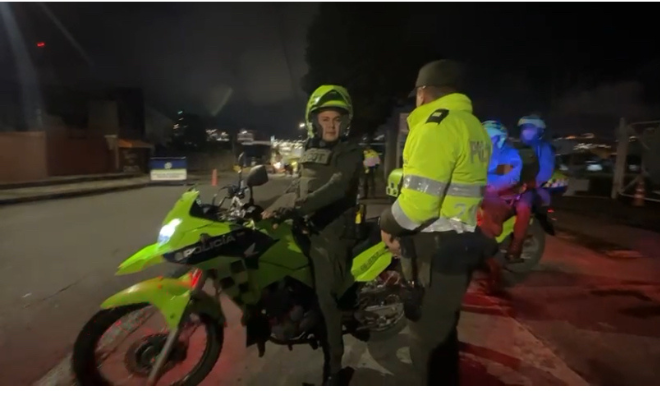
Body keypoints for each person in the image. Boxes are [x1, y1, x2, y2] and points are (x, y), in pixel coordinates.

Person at [378, 60, 492, 385]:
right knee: (444, 332)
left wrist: (387, 223)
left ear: (423, 93)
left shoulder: (435, 127)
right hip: (462, 242)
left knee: (426, 342)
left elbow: (418, 206)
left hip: (434, 250)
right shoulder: (474, 127)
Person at [262, 85, 363, 385]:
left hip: (333, 235)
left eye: (337, 119)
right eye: (325, 119)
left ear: (346, 122)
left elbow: (335, 188)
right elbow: (297, 187)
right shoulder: (309, 150)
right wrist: (272, 208)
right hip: (305, 227)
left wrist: (291, 209)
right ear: (314, 122)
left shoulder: (351, 152)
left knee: (325, 299)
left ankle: (334, 372)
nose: (331, 125)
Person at [479, 120, 522, 292]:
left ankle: (497, 274)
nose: (488, 139)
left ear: (500, 138)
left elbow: (510, 178)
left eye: (491, 136)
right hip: (478, 193)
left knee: (486, 228)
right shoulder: (479, 152)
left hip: (500, 197)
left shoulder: (509, 154)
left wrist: (488, 185)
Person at [507, 114, 555, 261]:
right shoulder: (513, 146)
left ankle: (516, 247)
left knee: (523, 206)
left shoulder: (543, 149)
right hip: (510, 185)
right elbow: (504, 165)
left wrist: (528, 184)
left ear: (539, 131)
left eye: (531, 128)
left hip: (532, 189)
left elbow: (545, 172)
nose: (527, 131)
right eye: (525, 128)